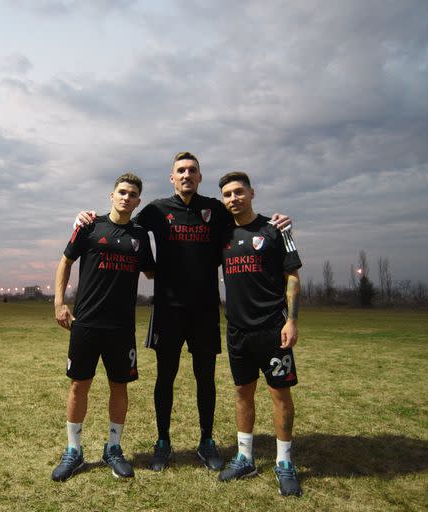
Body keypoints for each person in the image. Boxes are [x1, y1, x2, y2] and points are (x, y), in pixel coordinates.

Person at [75, 152, 291, 472]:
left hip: (204, 309)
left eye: (192, 170)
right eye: (181, 171)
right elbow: (121, 219)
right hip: (168, 309)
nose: (187, 175)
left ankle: (206, 442)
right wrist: (85, 220)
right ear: (172, 178)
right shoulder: (157, 210)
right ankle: (163, 441)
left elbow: (246, 219)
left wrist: (278, 224)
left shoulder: (215, 210)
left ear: (200, 177)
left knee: (205, 378)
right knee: (166, 377)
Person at [52, 172, 155, 482]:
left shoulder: (140, 237)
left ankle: (113, 448)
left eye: (132, 193)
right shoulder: (89, 225)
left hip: (121, 328)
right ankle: (74, 451)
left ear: (138, 201)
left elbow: (154, 273)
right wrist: (59, 303)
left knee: (119, 387)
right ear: (112, 195)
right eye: (121, 191)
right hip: (86, 323)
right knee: (78, 385)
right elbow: (65, 262)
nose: (126, 197)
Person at [216, 171, 303, 497]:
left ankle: (283, 462)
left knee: (280, 394)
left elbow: (292, 277)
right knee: (242, 393)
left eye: (238, 191)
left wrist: (291, 321)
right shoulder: (221, 234)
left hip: (272, 328)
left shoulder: (276, 229)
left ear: (252, 192)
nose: (233, 198)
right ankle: (245, 458)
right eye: (227, 194)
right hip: (237, 331)